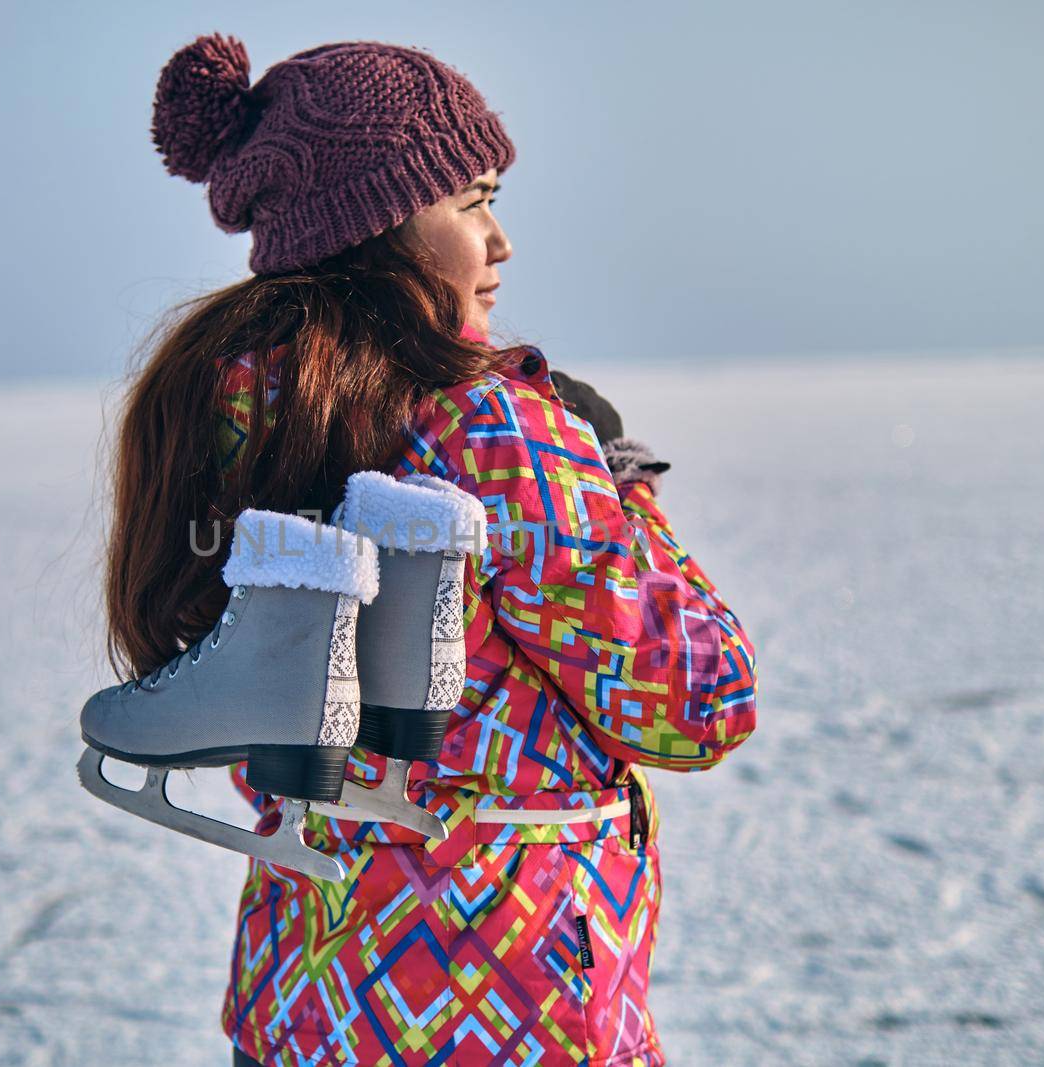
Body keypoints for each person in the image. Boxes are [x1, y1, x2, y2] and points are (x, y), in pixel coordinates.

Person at [104, 32, 758, 1066]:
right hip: (512, 1012)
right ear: (381, 222)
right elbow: (695, 705)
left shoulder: (224, 412)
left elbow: (273, 735)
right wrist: (623, 491)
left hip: (304, 1007)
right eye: (472, 201)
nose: (499, 242)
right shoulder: (494, 431)